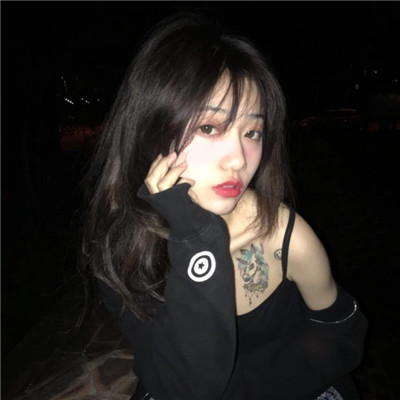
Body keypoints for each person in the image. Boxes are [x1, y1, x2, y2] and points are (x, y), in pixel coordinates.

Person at [81, 12, 368, 400]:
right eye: (209, 127)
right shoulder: (123, 247)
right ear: (149, 130)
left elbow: (341, 333)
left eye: (252, 132)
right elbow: (181, 384)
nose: (238, 159)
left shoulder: (285, 235)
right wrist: (197, 240)